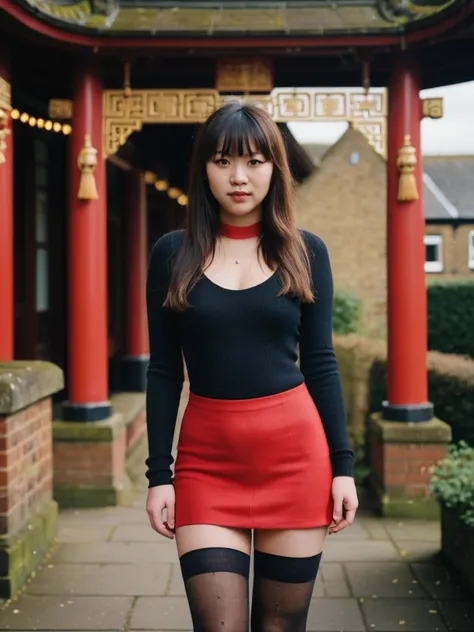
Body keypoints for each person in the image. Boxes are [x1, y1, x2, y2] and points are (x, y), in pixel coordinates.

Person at [144, 101, 358, 632]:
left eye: (255, 161)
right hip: (206, 463)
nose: (239, 177)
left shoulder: (306, 252)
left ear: (274, 169)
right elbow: (164, 370)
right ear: (204, 170)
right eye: (223, 161)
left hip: (296, 459)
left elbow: (322, 364)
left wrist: (344, 467)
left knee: (280, 627)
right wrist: (158, 476)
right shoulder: (173, 254)